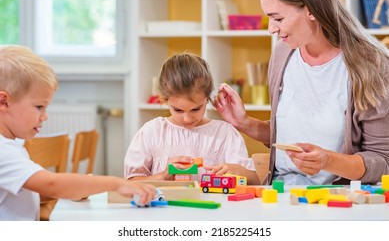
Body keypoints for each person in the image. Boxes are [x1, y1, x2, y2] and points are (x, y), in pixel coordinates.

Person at [213, 0, 389, 185]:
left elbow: (383, 162)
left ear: (311, 11)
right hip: (279, 196)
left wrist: (328, 161)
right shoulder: (282, 55)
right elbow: (289, 138)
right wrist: (244, 122)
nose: (271, 28)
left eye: (278, 18)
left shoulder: (372, 64)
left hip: (336, 203)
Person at [0, 45, 156, 221]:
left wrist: (77, 189)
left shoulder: (12, 145)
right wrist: (117, 183)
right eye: (39, 107)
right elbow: (51, 184)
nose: (44, 116)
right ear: (4, 102)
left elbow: (27, 193)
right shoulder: (3, 151)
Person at [124, 52, 259, 184]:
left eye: (195, 109)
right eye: (178, 110)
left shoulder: (224, 134)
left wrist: (238, 171)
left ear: (207, 98)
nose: (187, 119)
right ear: (165, 100)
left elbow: (256, 181)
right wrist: (162, 176)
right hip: (166, 206)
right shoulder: (152, 132)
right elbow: (130, 182)